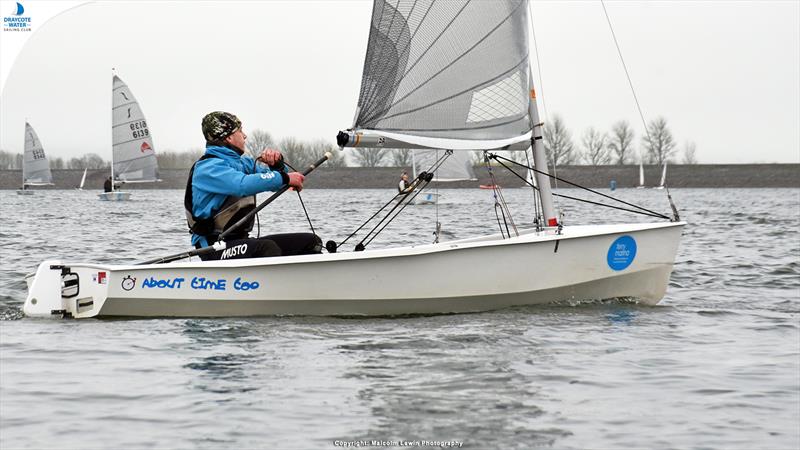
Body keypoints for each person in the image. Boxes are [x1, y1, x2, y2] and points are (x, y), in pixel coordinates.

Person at [185, 111, 322, 260]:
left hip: (241, 241)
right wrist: (284, 177)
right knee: (267, 248)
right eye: (240, 131)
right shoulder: (208, 168)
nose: (245, 136)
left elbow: (277, 183)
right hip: (213, 248)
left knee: (311, 241)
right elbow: (242, 184)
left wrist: (277, 166)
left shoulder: (245, 163)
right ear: (229, 137)